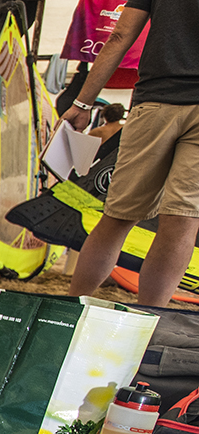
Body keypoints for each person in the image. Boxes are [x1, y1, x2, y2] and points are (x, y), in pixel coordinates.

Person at [64, 0, 198, 307]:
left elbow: (120, 35)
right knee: (182, 223)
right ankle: (146, 322)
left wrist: (83, 104)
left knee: (117, 217)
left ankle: (70, 311)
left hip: (156, 102)